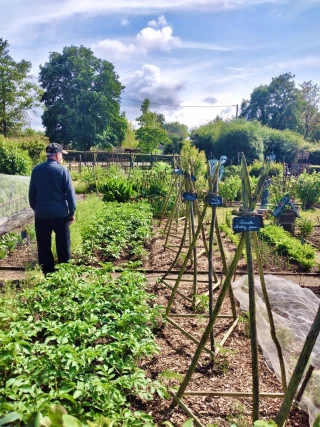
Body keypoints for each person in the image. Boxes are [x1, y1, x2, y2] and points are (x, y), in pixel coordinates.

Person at [28, 143, 76, 276]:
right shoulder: (62, 171)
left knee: (43, 246)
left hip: (41, 215)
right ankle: (63, 273)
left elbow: (31, 195)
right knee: (63, 244)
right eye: (61, 155)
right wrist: (71, 212)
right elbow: (70, 195)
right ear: (58, 155)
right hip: (60, 214)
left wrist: (37, 209)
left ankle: (48, 274)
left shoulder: (36, 170)